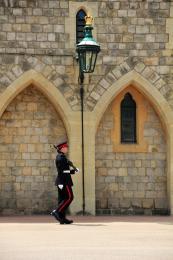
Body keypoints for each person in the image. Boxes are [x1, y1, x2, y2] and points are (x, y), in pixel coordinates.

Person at [51, 141, 79, 224]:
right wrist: (72, 171)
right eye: (65, 147)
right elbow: (62, 171)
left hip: (62, 180)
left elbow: (64, 170)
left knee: (63, 199)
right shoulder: (61, 158)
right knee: (70, 197)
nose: (67, 148)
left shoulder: (62, 157)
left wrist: (73, 171)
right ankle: (57, 211)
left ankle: (62, 218)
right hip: (64, 180)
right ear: (62, 148)